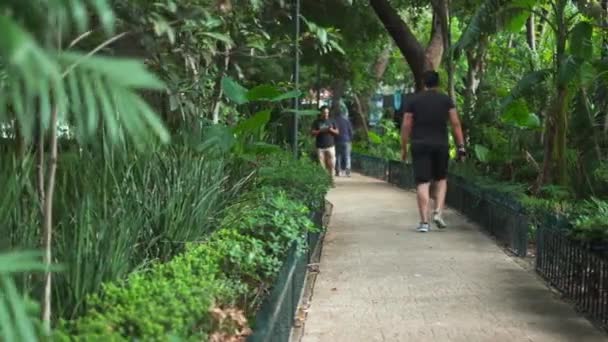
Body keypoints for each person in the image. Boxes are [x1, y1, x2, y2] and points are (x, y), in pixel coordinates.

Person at [401, 70, 466, 232]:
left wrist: (404, 147)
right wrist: (461, 146)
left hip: (419, 145)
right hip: (441, 145)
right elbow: (455, 124)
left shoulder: (413, 100)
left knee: (423, 182)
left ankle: (424, 223)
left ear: (424, 83)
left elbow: (406, 125)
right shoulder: (446, 100)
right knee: (441, 179)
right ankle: (438, 212)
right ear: (438, 83)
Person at [311, 106, 339, 179]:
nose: (326, 114)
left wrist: (330, 130)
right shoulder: (316, 122)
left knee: (332, 164)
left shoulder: (332, 121)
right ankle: (324, 180)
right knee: (321, 165)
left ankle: (331, 179)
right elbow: (312, 133)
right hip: (320, 146)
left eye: (327, 112)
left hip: (330, 146)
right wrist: (320, 131)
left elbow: (337, 132)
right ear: (321, 113)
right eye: (324, 113)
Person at [333, 110, 353, 177]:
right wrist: (350, 139)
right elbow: (350, 131)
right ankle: (348, 171)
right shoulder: (347, 121)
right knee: (347, 156)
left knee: (337, 156)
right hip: (346, 141)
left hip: (337, 140)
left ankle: (338, 171)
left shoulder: (334, 121)